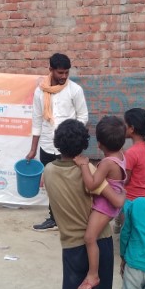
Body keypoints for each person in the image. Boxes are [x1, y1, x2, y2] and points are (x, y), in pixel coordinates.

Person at [44, 118, 114, 289]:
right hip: (101, 241)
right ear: (84, 145)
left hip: (72, 247)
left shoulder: (48, 171)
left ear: (57, 143)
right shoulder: (90, 170)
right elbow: (109, 198)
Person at [26, 53, 89, 232]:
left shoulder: (75, 90)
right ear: (51, 70)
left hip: (69, 147)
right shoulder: (40, 92)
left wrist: (72, 136)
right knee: (51, 184)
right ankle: (54, 219)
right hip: (47, 145)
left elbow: (83, 116)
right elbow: (37, 120)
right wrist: (33, 149)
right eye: (60, 73)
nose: (64, 76)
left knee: (72, 184)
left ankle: (74, 218)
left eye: (67, 73)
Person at [73, 116, 127, 289]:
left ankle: (93, 274)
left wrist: (84, 165)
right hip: (113, 200)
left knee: (90, 238)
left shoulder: (106, 163)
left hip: (105, 206)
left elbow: (91, 185)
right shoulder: (121, 155)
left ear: (99, 144)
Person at [123, 108, 145, 200]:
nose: (122, 127)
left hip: (131, 200)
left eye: (124, 124)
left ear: (131, 128)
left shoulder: (131, 153)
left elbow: (125, 180)